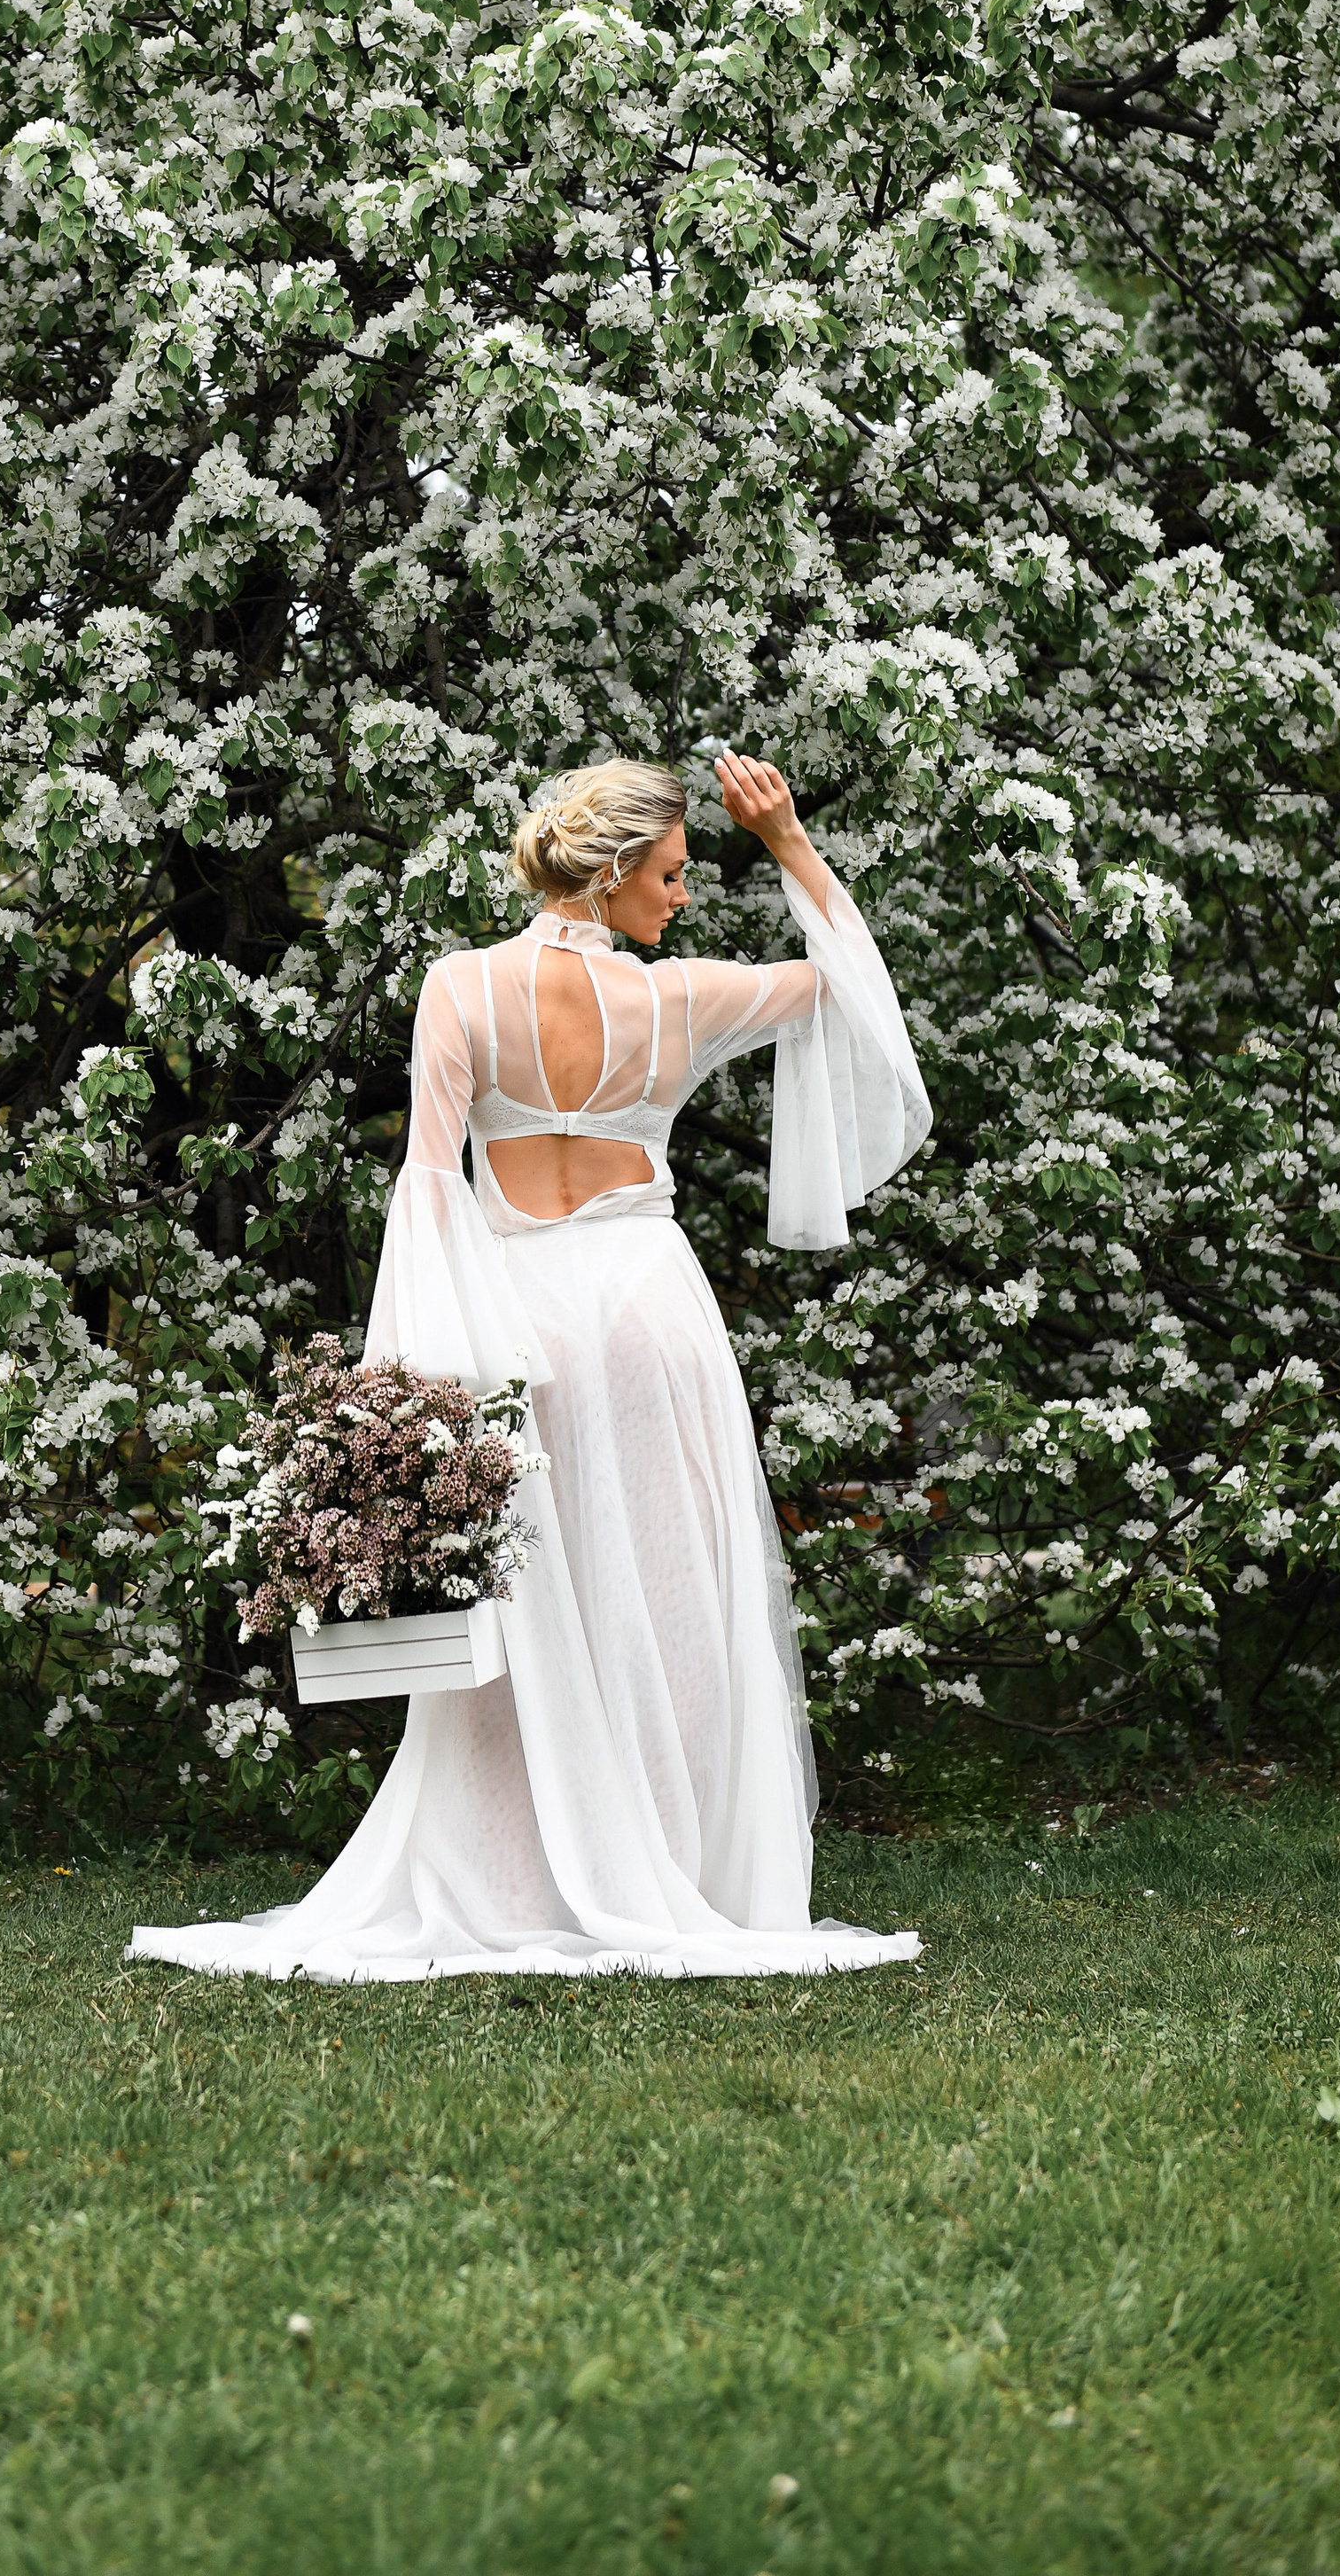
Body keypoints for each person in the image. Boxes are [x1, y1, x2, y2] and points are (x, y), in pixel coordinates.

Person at [131, 754, 931, 1985]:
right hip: (650, 1312)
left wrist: (412, 1384)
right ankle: (670, 1866)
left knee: (544, 1616)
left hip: (517, 1318)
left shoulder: (463, 985)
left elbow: (431, 1182)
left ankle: (527, 1877)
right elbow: (848, 990)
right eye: (668, 875)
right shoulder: (681, 1003)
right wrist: (787, 841)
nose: (680, 899)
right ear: (612, 873)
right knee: (671, 1604)